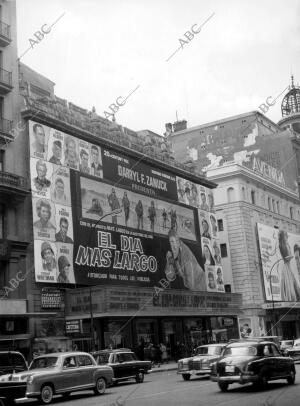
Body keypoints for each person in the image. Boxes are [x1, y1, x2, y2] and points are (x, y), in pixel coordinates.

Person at [278, 230, 300, 301]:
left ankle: (295, 298)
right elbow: (285, 257)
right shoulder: (282, 245)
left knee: (294, 283)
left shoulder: (286, 244)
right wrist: (288, 258)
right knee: (290, 283)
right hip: (287, 265)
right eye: (285, 235)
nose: (286, 236)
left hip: (289, 265)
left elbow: (289, 254)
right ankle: (292, 298)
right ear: (282, 237)